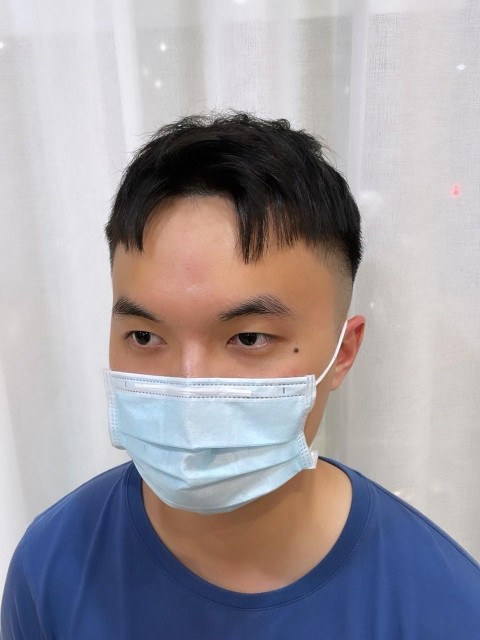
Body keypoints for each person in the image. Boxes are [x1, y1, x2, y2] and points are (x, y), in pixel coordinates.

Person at [1, 113, 479, 640]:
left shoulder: (445, 608)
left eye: (249, 338)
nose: (189, 388)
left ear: (343, 353)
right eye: (143, 336)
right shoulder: (50, 568)